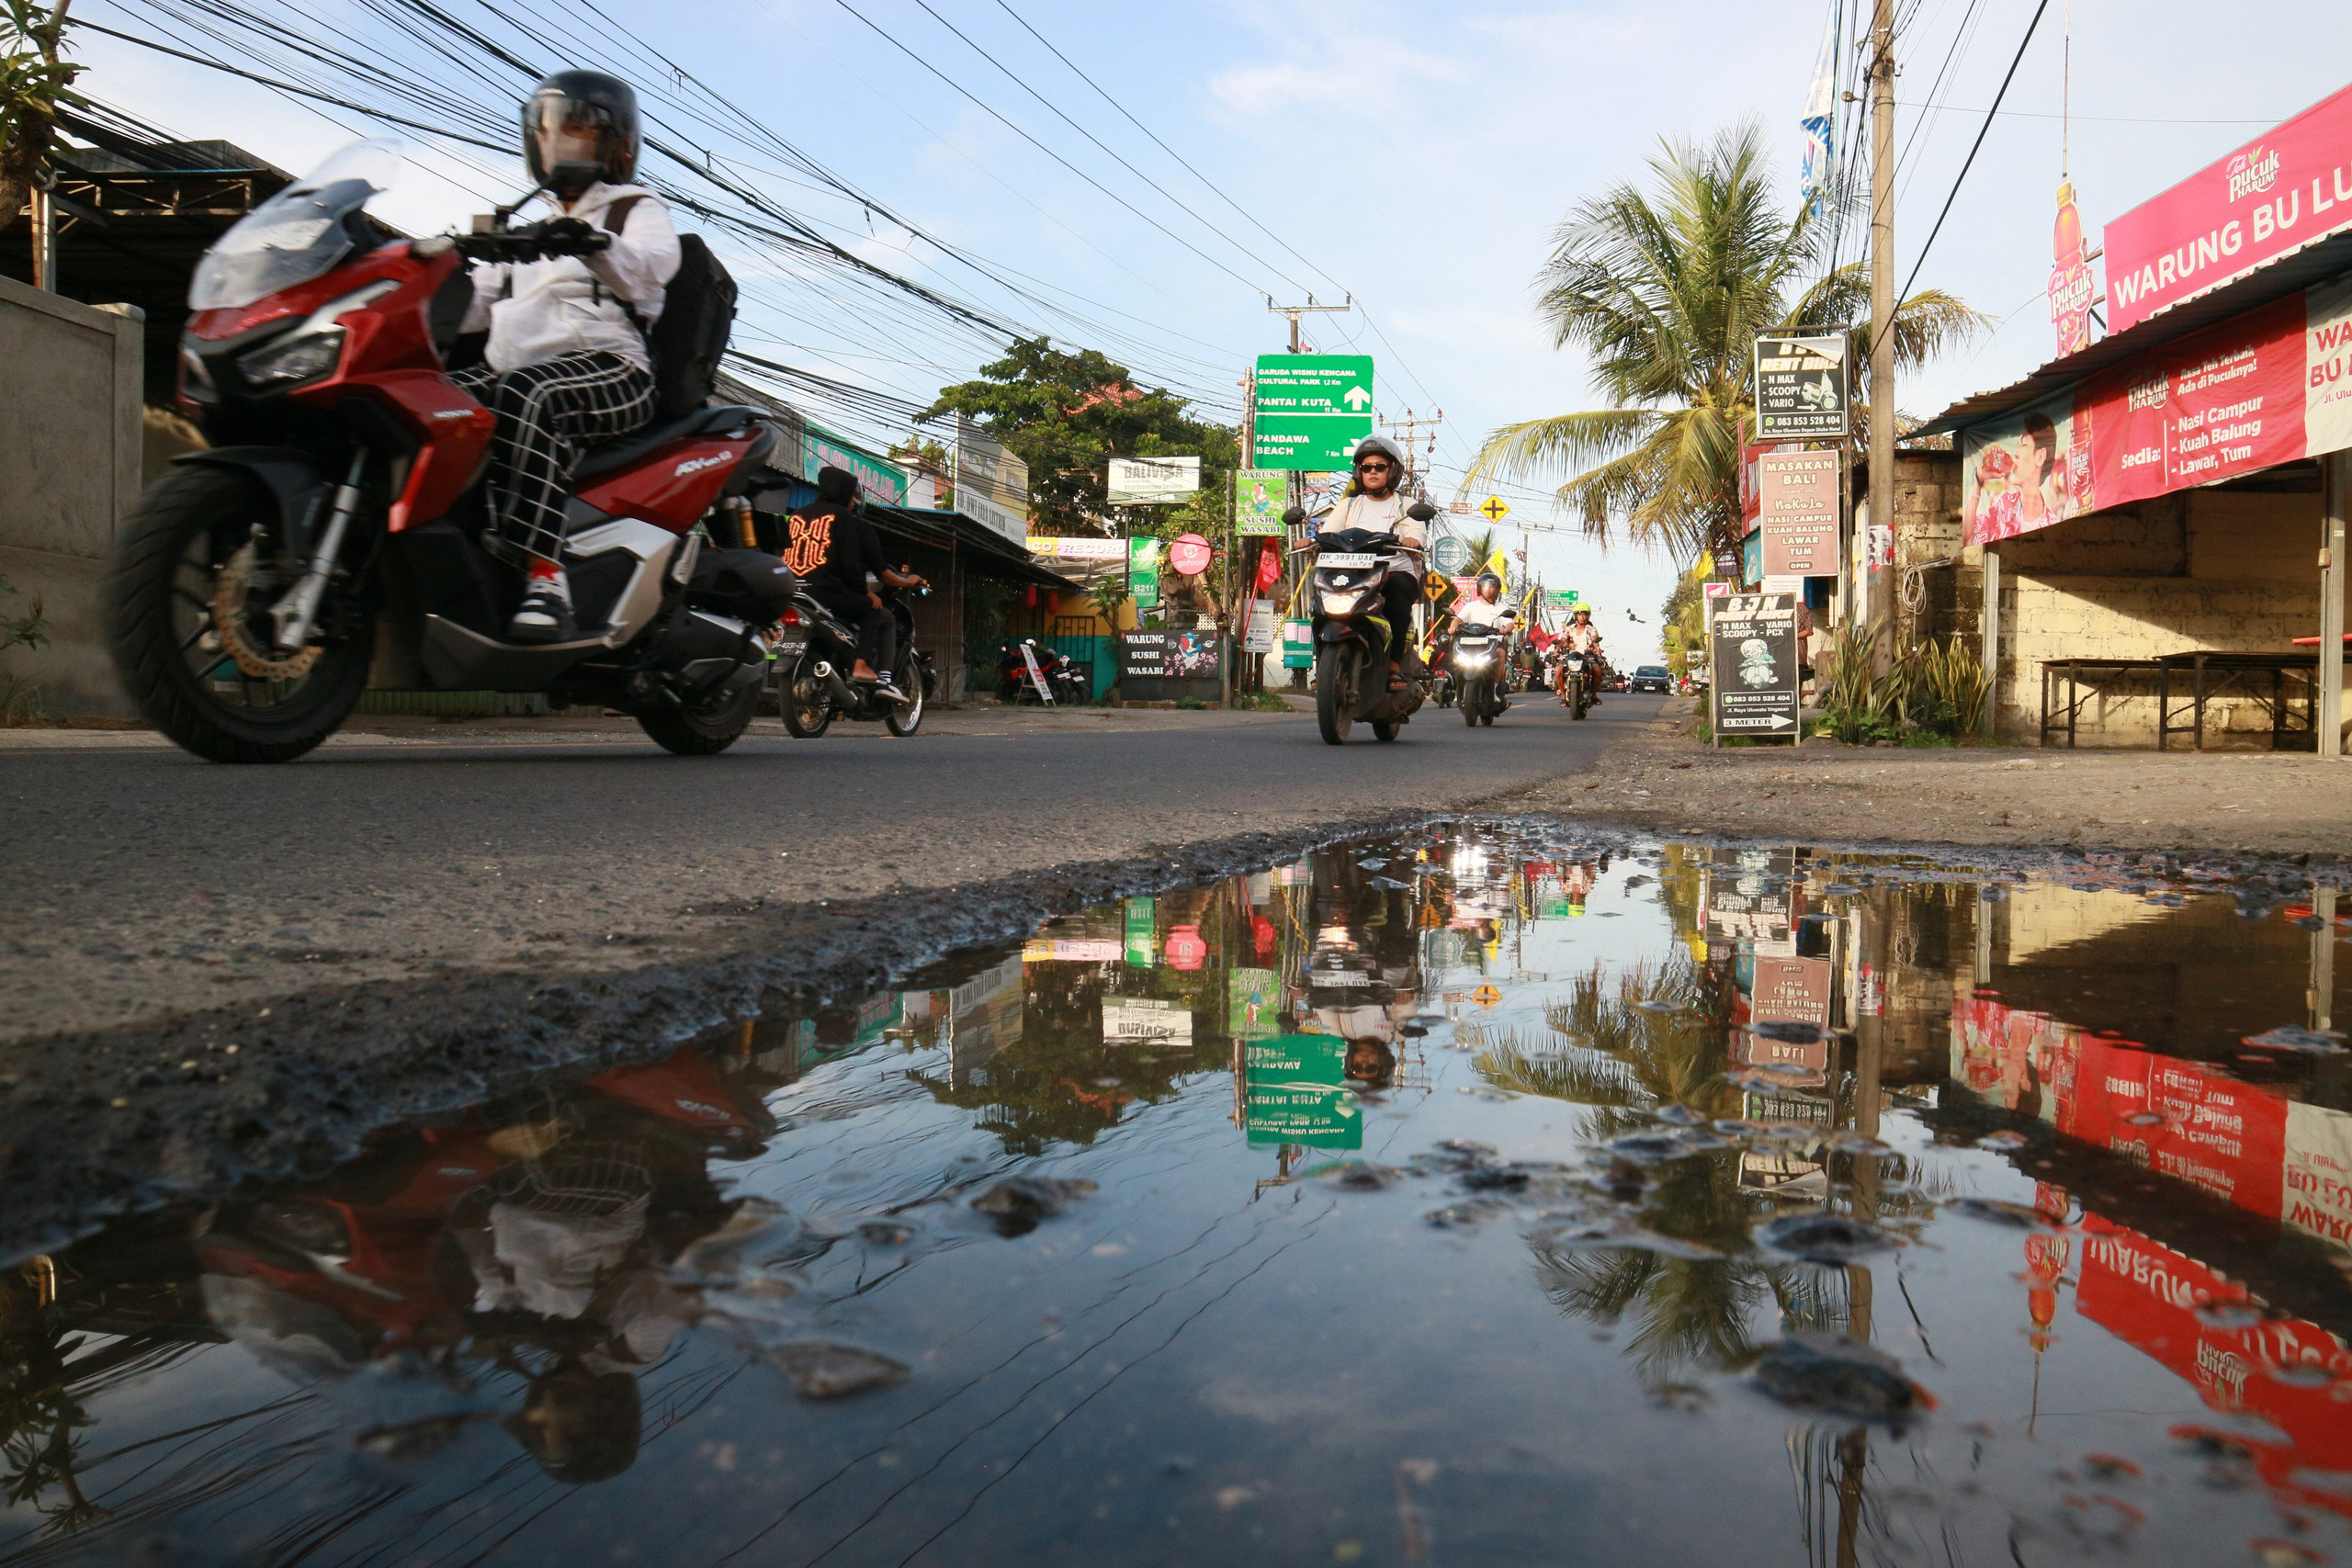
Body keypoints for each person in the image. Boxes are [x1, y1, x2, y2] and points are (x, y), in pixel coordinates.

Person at [454, 71, 683, 643]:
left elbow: (654, 267)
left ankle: (546, 579)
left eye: (581, 132)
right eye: (556, 131)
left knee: (526, 394)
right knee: (424, 399)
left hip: (615, 369)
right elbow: (471, 302)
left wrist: (593, 241)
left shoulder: (634, 208)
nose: (566, 143)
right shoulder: (523, 232)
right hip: (514, 369)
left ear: (616, 145)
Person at [778, 467, 928, 698]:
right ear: (843, 493)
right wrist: (867, 593)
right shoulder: (844, 519)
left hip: (794, 591)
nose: (854, 501)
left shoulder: (797, 514)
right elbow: (851, 566)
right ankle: (864, 667)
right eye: (852, 496)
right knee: (878, 612)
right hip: (827, 594)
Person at [1312, 435, 1426, 690]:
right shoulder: (1349, 505)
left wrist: (1412, 540)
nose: (1372, 472)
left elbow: (1417, 532)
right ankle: (1325, 664)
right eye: (1366, 467)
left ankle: (1394, 664)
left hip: (1394, 571)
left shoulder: (1406, 505)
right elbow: (1328, 534)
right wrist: (1310, 542)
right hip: (1351, 573)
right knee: (1318, 600)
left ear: (1393, 470)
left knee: (1396, 591)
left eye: (1380, 466)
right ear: (1358, 471)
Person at [1560, 604, 1606, 706]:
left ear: (1588, 616)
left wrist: (1596, 648)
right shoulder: (1569, 628)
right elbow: (1563, 639)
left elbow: (1594, 638)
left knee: (1597, 670)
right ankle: (1563, 696)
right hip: (1571, 657)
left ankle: (1594, 695)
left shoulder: (1591, 629)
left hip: (1587, 656)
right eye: (1579, 614)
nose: (1582, 617)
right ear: (1575, 616)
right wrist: (1559, 647)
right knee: (1558, 670)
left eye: (1584, 614)